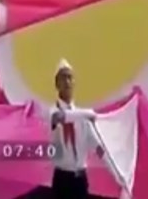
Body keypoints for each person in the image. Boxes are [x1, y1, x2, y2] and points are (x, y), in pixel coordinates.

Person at [49, 59, 103, 199]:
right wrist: (88, 113)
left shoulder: (83, 117)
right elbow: (60, 117)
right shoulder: (52, 111)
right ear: (57, 84)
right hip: (62, 178)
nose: (67, 82)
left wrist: (117, 173)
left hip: (80, 179)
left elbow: (98, 147)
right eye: (63, 78)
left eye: (70, 77)